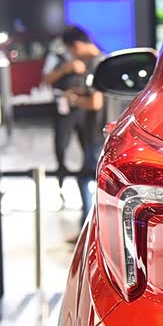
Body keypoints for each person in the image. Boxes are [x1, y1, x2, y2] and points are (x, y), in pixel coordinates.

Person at [42, 26, 105, 238]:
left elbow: (95, 103)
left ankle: (88, 232)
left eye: (71, 50)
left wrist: (74, 99)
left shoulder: (94, 64)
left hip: (96, 132)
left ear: (76, 45)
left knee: (86, 178)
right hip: (100, 131)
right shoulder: (103, 60)